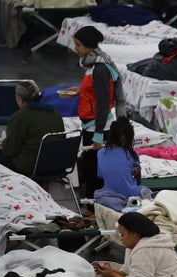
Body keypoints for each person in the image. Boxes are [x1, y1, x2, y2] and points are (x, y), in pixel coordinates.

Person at [72, 25, 126, 198]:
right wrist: (81, 91)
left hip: (98, 126)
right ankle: (92, 202)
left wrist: (97, 134)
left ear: (89, 46)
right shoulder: (92, 65)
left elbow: (103, 102)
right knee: (89, 167)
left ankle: (95, 205)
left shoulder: (100, 69)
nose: (76, 48)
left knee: (94, 170)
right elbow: (95, 93)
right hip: (91, 124)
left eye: (78, 45)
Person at [0, 80, 64, 177]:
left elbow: (9, 150)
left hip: (29, 166)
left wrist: (4, 144)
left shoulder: (20, 116)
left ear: (20, 100)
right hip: (55, 163)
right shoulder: (54, 112)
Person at [97, 117, 151, 199]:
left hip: (109, 195)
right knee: (148, 193)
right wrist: (137, 173)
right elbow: (138, 182)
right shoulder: (131, 155)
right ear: (124, 138)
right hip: (131, 194)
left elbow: (101, 175)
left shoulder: (100, 153)